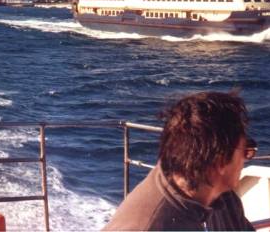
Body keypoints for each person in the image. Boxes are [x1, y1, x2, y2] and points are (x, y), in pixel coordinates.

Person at [103, 91, 257, 231]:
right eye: (246, 151)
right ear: (220, 160)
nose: (246, 159)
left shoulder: (221, 196)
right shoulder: (148, 227)